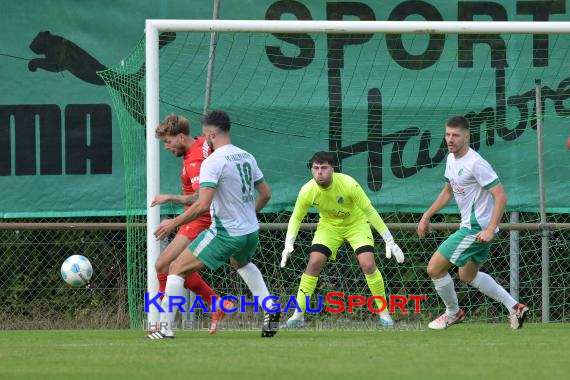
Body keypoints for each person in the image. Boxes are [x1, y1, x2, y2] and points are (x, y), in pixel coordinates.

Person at [146, 110, 281, 339]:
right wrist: (247, 215)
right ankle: (269, 307)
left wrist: (174, 223)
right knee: (241, 263)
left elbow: (200, 205)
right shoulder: (246, 156)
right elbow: (266, 194)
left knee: (176, 268)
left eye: (203, 134)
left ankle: (164, 329)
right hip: (250, 231)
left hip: (225, 232)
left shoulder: (213, 162)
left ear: (210, 133)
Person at [417, 115, 528, 330]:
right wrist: (426, 215)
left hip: (475, 229)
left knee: (434, 269)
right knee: (467, 274)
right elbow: (448, 190)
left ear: (466, 137)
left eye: (455, 135)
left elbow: (500, 195)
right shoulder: (451, 159)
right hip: (473, 229)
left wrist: (489, 229)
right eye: (448, 134)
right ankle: (514, 307)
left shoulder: (476, 163)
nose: (450, 139)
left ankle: (453, 313)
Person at [280, 151, 405, 327]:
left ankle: (384, 314)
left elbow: (369, 211)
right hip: (329, 227)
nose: (319, 172)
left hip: (357, 224)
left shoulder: (348, 184)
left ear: (332, 169)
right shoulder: (307, 190)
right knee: (314, 262)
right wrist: (289, 241)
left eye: (324, 168)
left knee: (368, 264)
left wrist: (388, 239)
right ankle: (297, 316)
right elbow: (296, 217)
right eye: (316, 168)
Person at [150, 114, 232, 336]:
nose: (166, 147)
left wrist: (169, 198)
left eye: (167, 141)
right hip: (199, 218)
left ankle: (163, 324)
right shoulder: (197, 146)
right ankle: (215, 303)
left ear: (180, 137)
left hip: (200, 219)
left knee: (163, 265)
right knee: (175, 267)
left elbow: (199, 199)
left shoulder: (195, 159)